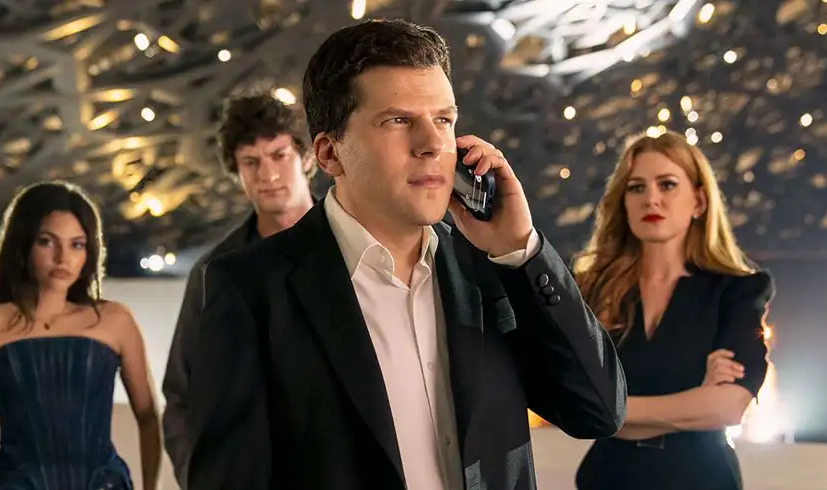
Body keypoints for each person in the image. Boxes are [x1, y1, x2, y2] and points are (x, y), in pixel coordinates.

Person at [174, 18, 626, 490]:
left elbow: (597, 411)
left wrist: (521, 251)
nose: (432, 144)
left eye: (443, 120)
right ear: (329, 154)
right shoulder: (248, 290)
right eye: (398, 121)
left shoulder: (493, 265)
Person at [573, 133, 774, 490]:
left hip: (701, 480)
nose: (651, 198)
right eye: (636, 188)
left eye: (667, 184)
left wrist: (613, 412)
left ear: (699, 201)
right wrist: (693, 403)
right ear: (623, 202)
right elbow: (572, 401)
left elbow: (726, 408)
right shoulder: (591, 289)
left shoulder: (737, 290)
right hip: (610, 479)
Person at [0, 181, 161, 490]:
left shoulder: (115, 321)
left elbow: (148, 416)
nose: (63, 258)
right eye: (47, 241)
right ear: (22, 244)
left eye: (77, 244)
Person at [161, 92, 315, 487]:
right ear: (236, 171)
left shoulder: (354, 250)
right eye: (251, 161)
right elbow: (181, 394)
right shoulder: (213, 272)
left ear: (307, 158)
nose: (268, 173)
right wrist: (201, 477)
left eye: (279, 155)